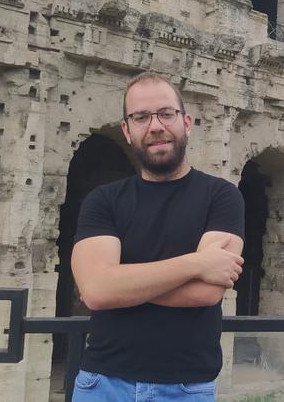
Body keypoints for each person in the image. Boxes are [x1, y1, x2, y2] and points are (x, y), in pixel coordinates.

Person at [71, 72, 245, 401]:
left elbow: (206, 292)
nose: (155, 126)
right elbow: (96, 292)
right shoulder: (103, 200)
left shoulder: (221, 196)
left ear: (187, 122)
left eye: (166, 113)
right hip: (102, 383)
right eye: (140, 117)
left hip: (185, 388)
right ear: (127, 129)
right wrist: (196, 262)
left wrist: (119, 281)